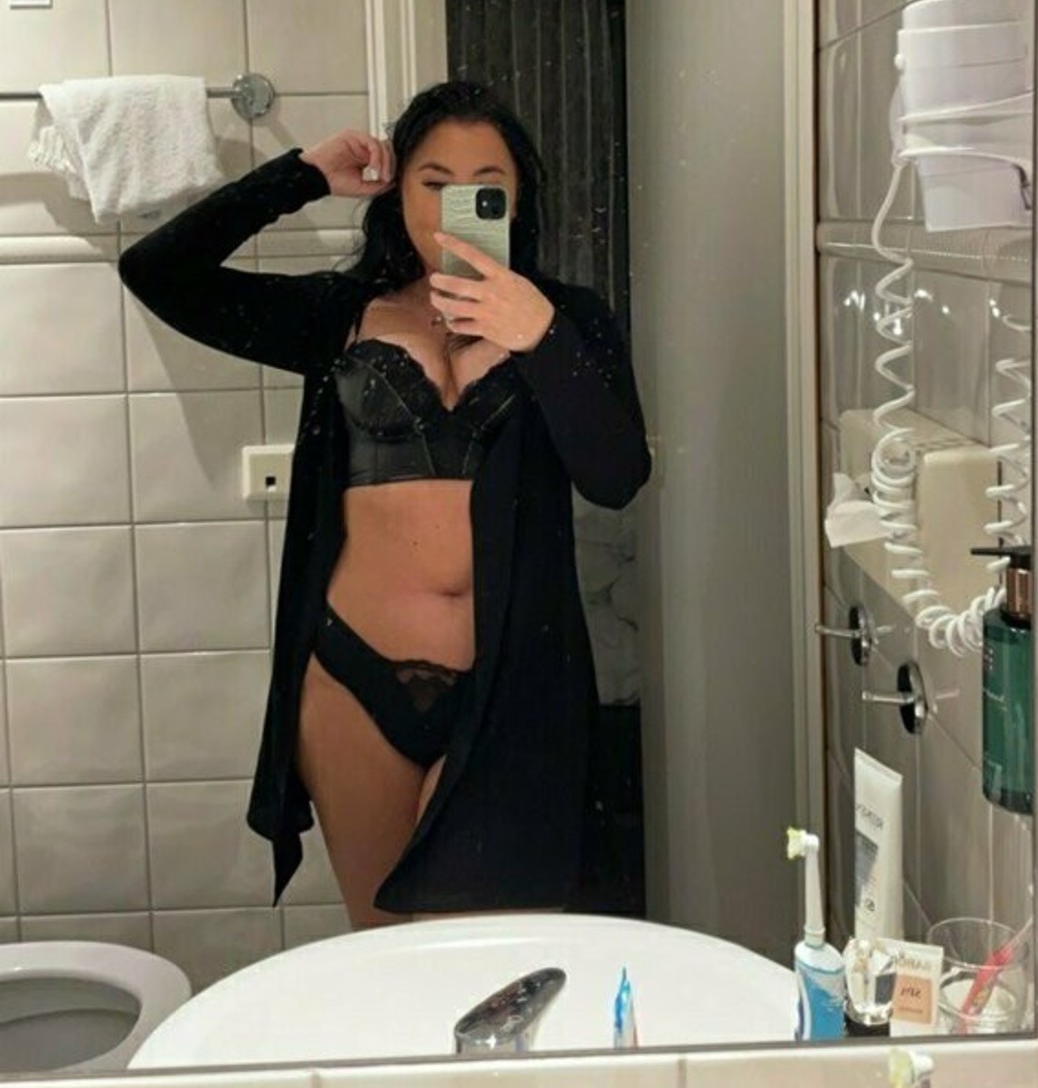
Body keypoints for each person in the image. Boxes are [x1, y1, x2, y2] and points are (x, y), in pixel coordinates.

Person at [118, 81, 651, 925]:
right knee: (380, 949)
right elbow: (156, 272)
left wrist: (539, 335)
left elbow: (617, 475)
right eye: (433, 182)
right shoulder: (340, 313)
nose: (455, 204)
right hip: (350, 679)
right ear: (398, 191)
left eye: (485, 185)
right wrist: (301, 176)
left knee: (490, 954)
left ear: (517, 198)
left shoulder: (569, 320)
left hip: (511, 684)